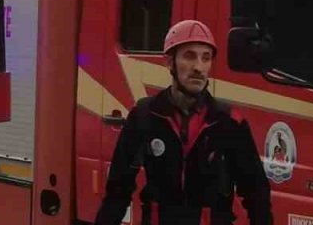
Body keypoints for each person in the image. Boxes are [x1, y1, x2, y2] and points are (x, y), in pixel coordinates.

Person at [94, 20, 273, 225]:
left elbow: (256, 195)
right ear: (170, 62)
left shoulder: (229, 122)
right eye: (189, 56)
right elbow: (118, 190)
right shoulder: (144, 115)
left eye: (206, 58)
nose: (198, 67)